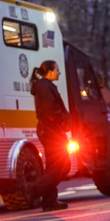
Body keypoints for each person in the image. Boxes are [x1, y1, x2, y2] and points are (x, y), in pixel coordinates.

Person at [30, 60, 71, 212]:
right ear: (50, 71)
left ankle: (49, 201)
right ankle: (37, 190)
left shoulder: (44, 86)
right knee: (63, 165)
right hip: (52, 131)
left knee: (54, 166)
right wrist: (62, 121)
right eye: (57, 70)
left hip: (50, 130)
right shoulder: (44, 86)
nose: (59, 72)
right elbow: (51, 109)